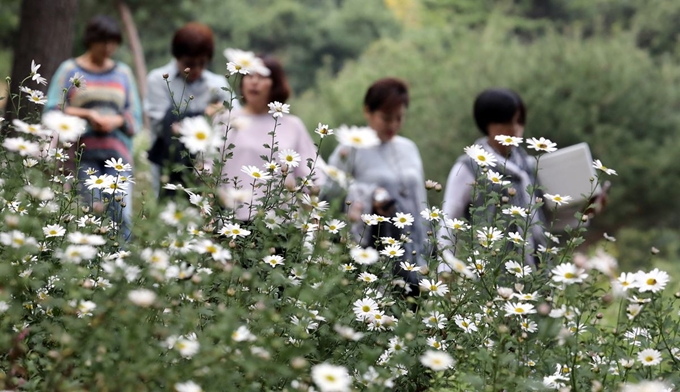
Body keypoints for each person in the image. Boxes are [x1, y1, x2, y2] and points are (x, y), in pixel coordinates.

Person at [45, 15, 142, 239]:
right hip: (81, 154)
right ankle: (93, 269)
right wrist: (87, 114)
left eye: (113, 42)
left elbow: (134, 116)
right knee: (90, 213)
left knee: (121, 212)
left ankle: (122, 263)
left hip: (117, 156)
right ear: (90, 40)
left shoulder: (123, 73)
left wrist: (115, 121)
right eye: (103, 42)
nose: (108, 48)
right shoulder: (69, 70)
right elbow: (53, 109)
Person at [327, 78, 428, 291]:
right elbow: (330, 194)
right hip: (371, 246)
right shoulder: (352, 148)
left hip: (412, 246)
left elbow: (421, 202)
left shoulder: (409, 148)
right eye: (386, 118)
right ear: (367, 112)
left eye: (399, 118)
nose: (393, 125)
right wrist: (369, 195)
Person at [438, 88, 546, 266]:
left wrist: (587, 208)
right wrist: (445, 268)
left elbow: (545, 215)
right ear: (488, 124)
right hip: (492, 269)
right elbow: (449, 221)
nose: (515, 129)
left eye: (519, 121)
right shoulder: (470, 166)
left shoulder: (527, 164)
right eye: (507, 122)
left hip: (535, 267)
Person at [211, 55, 322, 221]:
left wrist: (313, 217)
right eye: (249, 75)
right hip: (230, 220)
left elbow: (312, 176)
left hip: (278, 223)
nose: (254, 81)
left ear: (275, 84)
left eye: (262, 77)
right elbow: (207, 168)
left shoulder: (292, 125)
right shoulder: (224, 120)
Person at [145, 22, 235, 196]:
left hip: (210, 164)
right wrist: (205, 114)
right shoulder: (159, 80)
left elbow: (235, 120)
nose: (196, 69)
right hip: (170, 165)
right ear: (177, 57)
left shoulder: (217, 84)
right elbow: (159, 125)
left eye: (202, 63)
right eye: (190, 63)